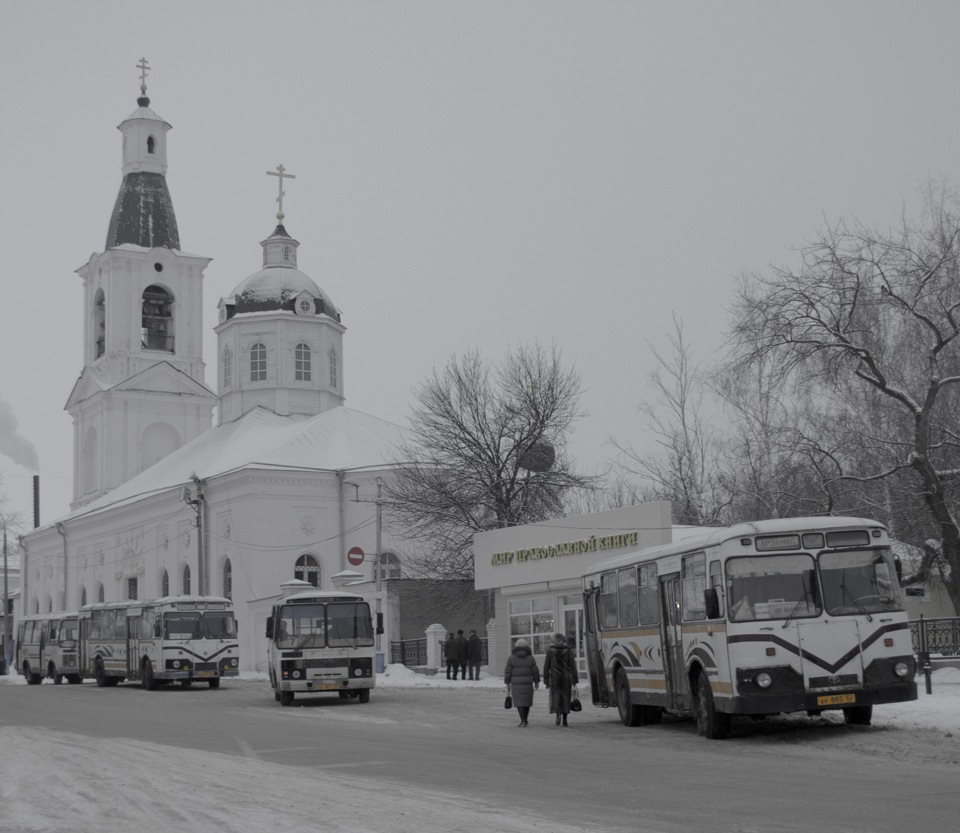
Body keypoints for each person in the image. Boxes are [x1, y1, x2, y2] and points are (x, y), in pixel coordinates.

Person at [543, 632, 578, 726]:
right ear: (564, 641)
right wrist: (575, 679)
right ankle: (565, 719)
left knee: (556, 698)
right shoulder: (568, 651)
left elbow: (547, 666)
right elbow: (573, 666)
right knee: (566, 698)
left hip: (555, 678)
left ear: (554, 641)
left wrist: (546, 680)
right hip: (566, 678)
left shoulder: (550, 651)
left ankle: (558, 715)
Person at [503, 638, 540, 727]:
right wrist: (536, 681)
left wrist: (507, 681)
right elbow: (535, 671)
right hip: (528, 683)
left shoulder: (511, 658)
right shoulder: (530, 658)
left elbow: (508, 671)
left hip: (516, 684)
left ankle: (523, 720)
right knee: (526, 702)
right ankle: (525, 719)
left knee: (519, 702)